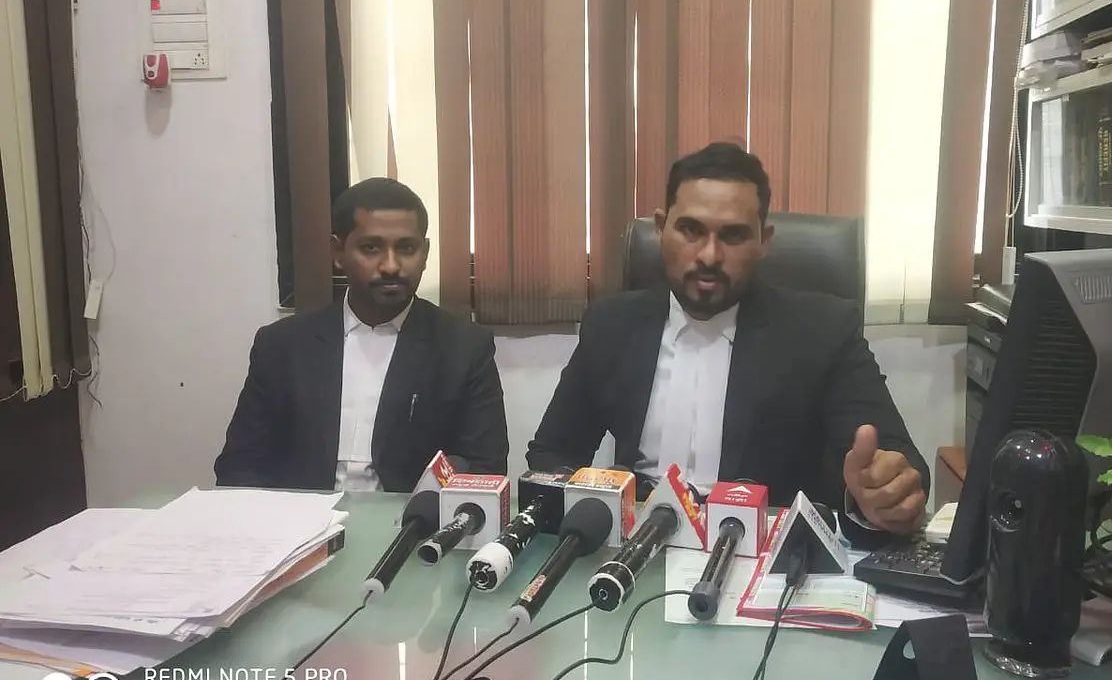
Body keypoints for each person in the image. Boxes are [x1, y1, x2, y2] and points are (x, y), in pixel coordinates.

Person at [527, 143, 927, 533]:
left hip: (760, 548)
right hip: (638, 540)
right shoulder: (611, 325)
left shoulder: (824, 330)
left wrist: (881, 492)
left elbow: (897, 465)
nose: (709, 256)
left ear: (763, 241)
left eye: (733, 236)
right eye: (691, 230)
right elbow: (553, 453)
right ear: (662, 229)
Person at [216, 178, 508, 491]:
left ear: (424, 253)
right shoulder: (283, 345)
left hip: (409, 517)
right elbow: (240, 466)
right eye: (371, 248)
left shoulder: (463, 347)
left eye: (406, 248)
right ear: (338, 252)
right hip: (300, 515)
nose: (391, 266)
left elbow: (485, 468)